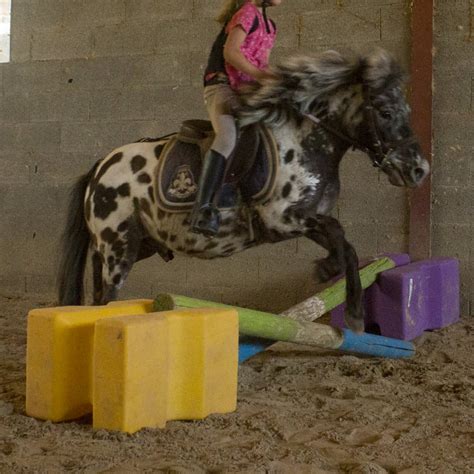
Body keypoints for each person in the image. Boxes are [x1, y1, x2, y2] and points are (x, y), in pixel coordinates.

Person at [190, 0, 281, 237]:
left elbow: (262, 64)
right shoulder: (247, 12)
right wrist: (262, 75)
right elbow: (231, 52)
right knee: (227, 135)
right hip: (221, 86)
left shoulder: (270, 26)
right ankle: (204, 208)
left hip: (245, 91)